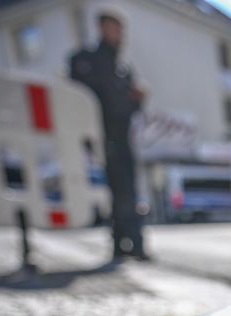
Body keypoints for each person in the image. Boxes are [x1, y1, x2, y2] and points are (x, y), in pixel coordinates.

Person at [69, 10, 149, 261]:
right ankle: (121, 245)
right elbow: (86, 98)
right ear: (102, 29)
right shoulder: (87, 60)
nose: (119, 35)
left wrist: (137, 100)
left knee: (128, 192)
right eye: (114, 28)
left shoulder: (124, 69)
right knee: (115, 193)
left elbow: (128, 109)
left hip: (123, 138)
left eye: (120, 30)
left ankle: (133, 245)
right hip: (99, 136)